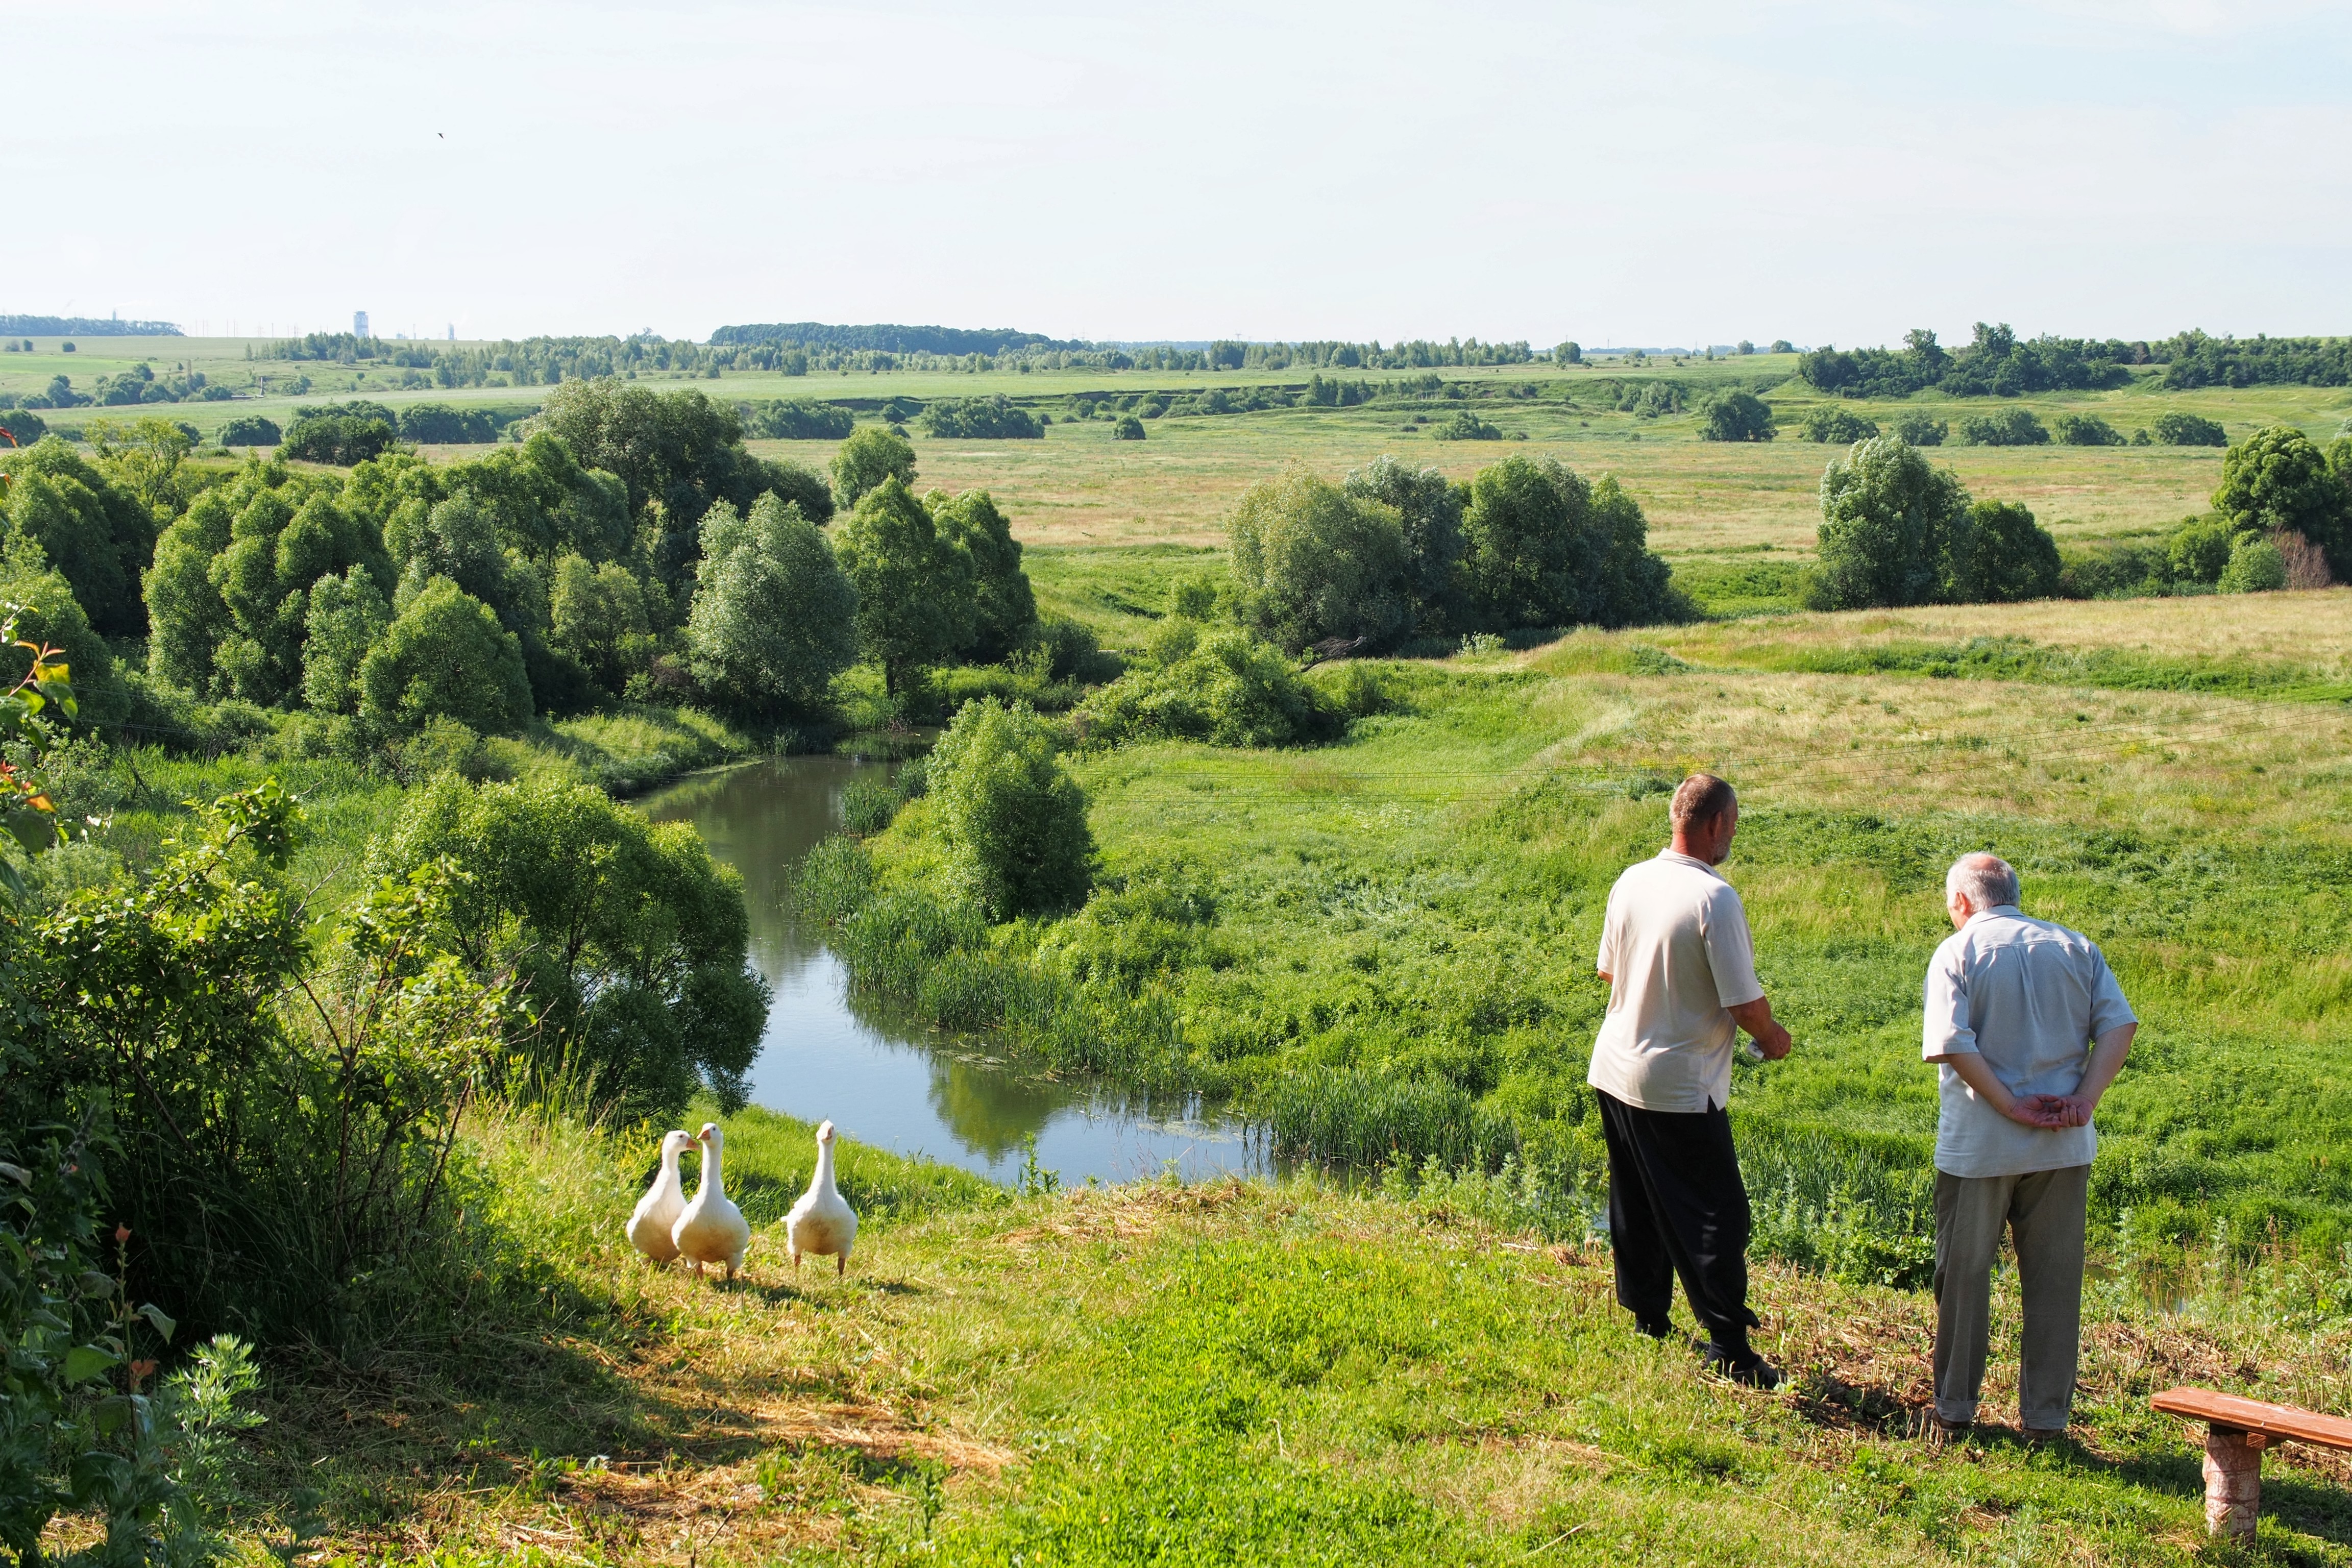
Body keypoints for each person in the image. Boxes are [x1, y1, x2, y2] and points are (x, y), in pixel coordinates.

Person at [1922, 852, 2136, 1444]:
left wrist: (2007, 1104)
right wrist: (2085, 1100)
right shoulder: (2074, 946)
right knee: (2055, 1283)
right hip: (2062, 1145)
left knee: (1963, 1279)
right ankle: (2046, 1422)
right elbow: (2120, 1025)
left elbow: (1950, 1041)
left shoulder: (1959, 951)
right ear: (2013, 893)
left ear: (1963, 902)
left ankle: (1956, 1410)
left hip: (1982, 1146)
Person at [1588, 772, 1793, 1388]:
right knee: (1717, 1215)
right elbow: (1742, 1002)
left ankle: (1648, 1317)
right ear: (1714, 825)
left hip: (1615, 1065)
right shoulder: (1715, 899)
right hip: (1679, 1084)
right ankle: (1731, 1347)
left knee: (1639, 1200)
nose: (1733, 836)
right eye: (1733, 824)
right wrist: (1773, 1038)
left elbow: (1609, 973)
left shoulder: (1632, 879)